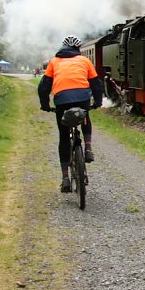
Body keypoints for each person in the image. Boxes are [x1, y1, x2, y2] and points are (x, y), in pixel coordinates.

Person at [38, 35, 103, 192]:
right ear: (78, 48)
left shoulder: (54, 62)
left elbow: (43, 87)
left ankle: (65, 177)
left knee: (64, 136)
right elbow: (96, 84)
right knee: (85, 116)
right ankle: (88, 148)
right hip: (82, 97)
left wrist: (45, 105)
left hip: (62, 100)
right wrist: (98, 102)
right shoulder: (85, 61)